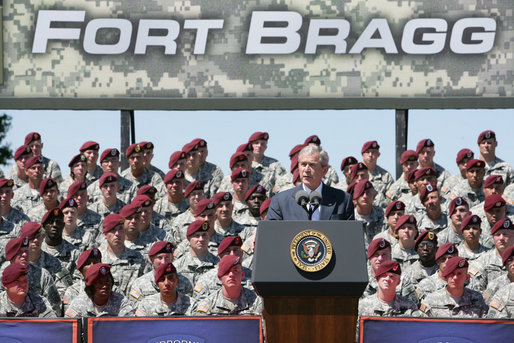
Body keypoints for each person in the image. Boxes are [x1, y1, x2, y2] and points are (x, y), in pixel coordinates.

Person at [267, 145, 354, 220]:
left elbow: (348, 236)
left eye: (312, 165)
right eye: (303, 164)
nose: (306, 170)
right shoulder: (281, 201)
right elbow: (273, 234)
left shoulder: (343, 200)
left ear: (324, 170)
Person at [190, 255, 262, 316]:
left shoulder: (256, 301)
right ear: (219, 277)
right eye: (227, 271)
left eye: (235, 270)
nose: (231, 275)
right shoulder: (208, 304)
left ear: (242, 275)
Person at [420, 256, 487, 318]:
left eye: (459, 274)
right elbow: (424, 326)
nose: (455, 278)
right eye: (452, 274)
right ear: (445, 277)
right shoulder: (431, 300)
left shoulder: (477, 298)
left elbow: (483, 326)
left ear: (467, 278)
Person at [21, 221, 73, 298]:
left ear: (43, 238)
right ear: (23, 240)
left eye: (39, 236)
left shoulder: (55, 263)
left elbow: (65, 289)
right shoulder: (15, 263)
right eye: (32, 237)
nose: (36, 240)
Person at [99, 213, 145, 296]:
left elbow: (145, 285)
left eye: (120, 229)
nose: (117, 234)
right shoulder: (98, 260)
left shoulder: (138, 258)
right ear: (105, 234)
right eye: (113, 230)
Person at [65, 263, 134, 317]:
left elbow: (129, 326)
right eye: (100, 283)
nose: (104, 286)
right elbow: (68, 327)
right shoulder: (79, 303)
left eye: (107, 282)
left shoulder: (121, 301)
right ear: (91, 285)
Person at [174, 220, 219, 287]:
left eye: (204, 235)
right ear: (188, 238)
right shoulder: (178, 266)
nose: (201, 239)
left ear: (209, 237)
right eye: (197, 236)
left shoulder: (218, 264)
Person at [474, 218, 514, 287]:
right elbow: (477, 291)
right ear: (493, 238)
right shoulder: (483, 261)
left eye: (505, 234)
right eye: (498, 235)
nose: (501, 238)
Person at [361, 140, 394, 207]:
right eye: (367, 152)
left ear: (378, 155)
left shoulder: (386, 175)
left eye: (373, 152)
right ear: (362, 154)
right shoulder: (356, 173)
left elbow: (391, 197)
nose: (370, 155)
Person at [353, 180, 385, 248]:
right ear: (355, 198)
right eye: (362, 193)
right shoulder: (349, 218)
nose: (365, 196)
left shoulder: (383, 215)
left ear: (373, 196)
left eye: (368, 193)